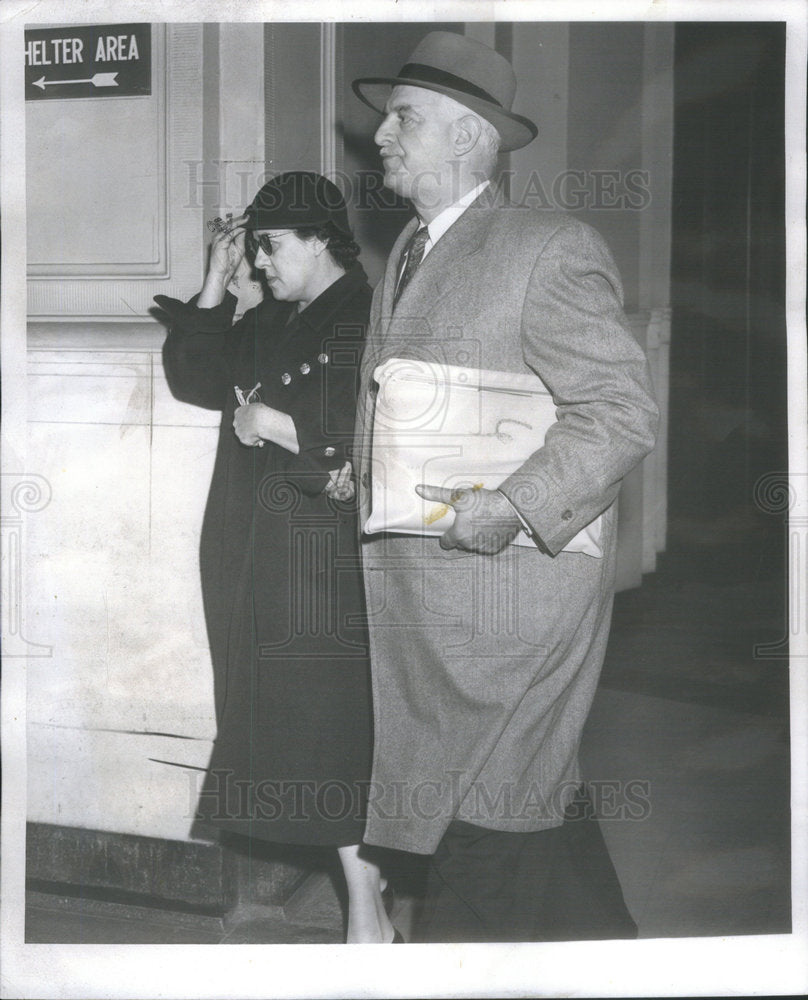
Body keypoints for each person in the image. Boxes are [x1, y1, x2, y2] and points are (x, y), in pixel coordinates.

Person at [351, 32, 660, 941]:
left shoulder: (548, 248)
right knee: (519, 802)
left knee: (483, 826)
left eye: (402, 117)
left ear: (467, 135)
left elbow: (619, 410)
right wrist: (359, 466)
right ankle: (610, 955)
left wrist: (517, 503)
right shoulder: (410, 245)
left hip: (507, 597)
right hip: (436, 598)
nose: (381, 136)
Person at [156, 172, 397, 944]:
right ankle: (370, 900)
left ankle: (368, 912)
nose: (259, 262)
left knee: (335, 735)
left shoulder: (367, 315)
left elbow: (380, 433)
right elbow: (195, 379)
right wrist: (214, 284)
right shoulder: (274, 319)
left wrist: (282, 424)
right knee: (295, 736)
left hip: (320, 562)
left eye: (269, 246)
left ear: (318, 237)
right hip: (254, 554)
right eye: (253, 249)